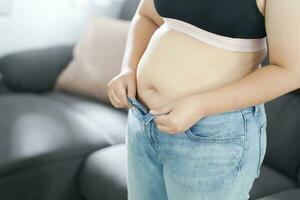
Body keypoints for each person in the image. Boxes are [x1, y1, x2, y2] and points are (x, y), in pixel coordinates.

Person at [107, 0, 300, 199]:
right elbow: (146, 16)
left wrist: (200, 106)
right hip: (142, 119)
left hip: (213, 135)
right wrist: (128, 68)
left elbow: (291, 70)